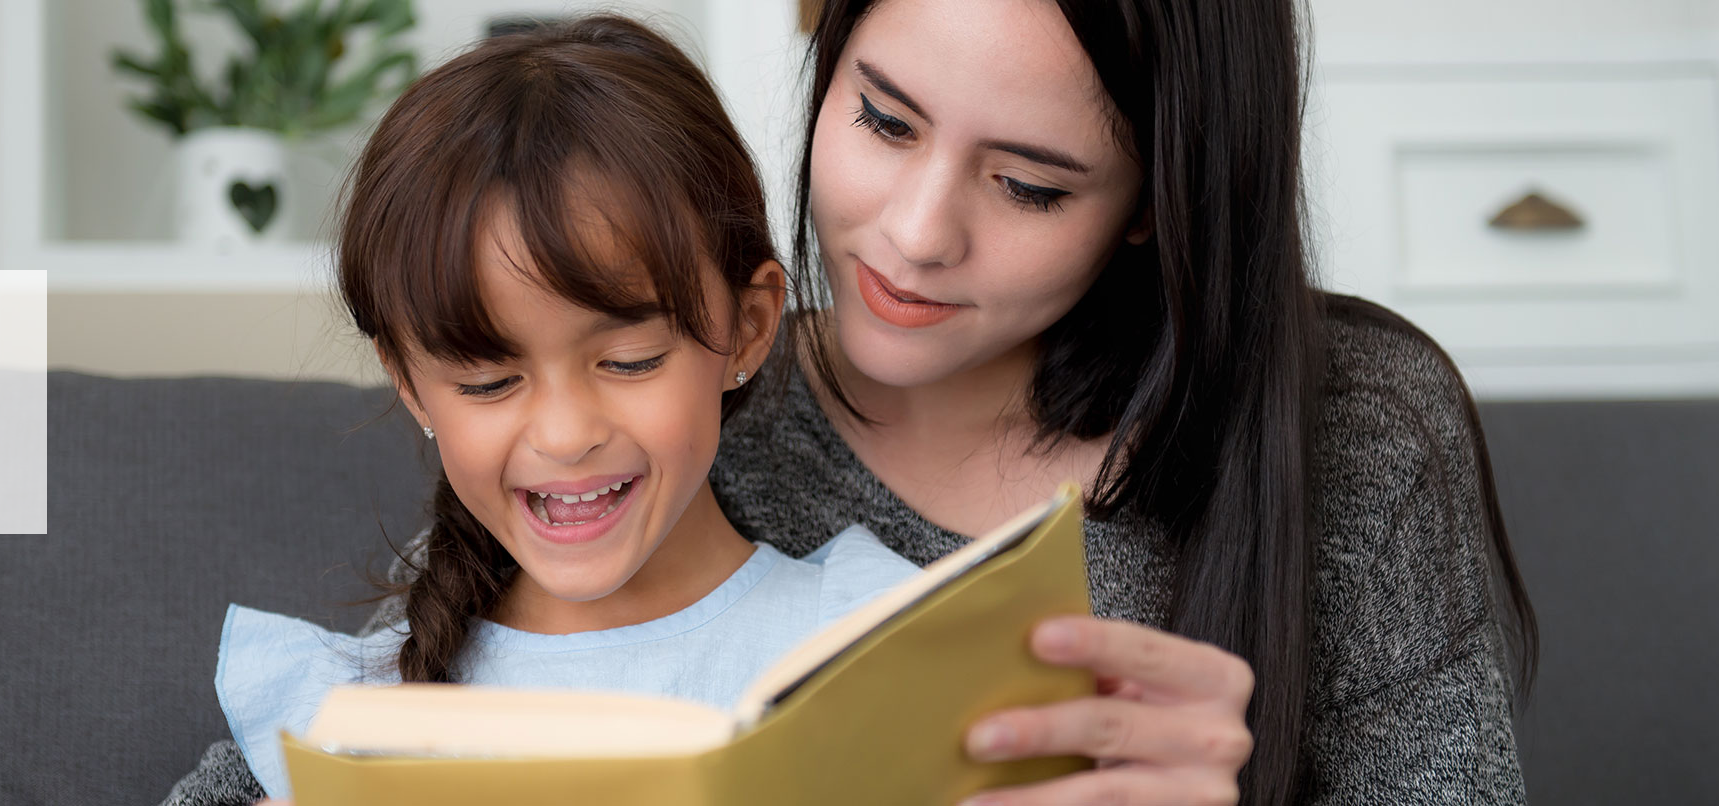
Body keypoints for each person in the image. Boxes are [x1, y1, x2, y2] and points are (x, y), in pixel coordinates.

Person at [706, 0, 1538, 803]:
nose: (918, 236)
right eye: (886, 121)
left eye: (1028, 185)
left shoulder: (1355, 426)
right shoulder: (683, 407)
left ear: (1154, 197)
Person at [163, 15, 935, 805]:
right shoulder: (351, 715)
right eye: (489, 383)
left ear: (749, 327)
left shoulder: (869, 635)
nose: (567, 437)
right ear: (409, 382)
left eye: (630, 361)